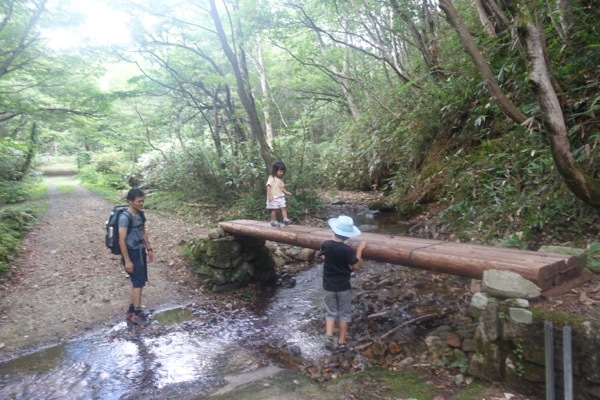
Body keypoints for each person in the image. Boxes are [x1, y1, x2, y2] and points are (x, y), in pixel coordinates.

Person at [318, 215, 366, 352]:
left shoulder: (326, 244)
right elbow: (356, 266)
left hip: (328, 286)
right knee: (344, 314)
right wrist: (360, 250)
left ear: (334, 230)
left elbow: (325, 255)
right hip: (343, 286)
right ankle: (342, 342)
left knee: (331, 312)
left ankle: (328, 337)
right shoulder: (347, 250)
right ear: (347, 236)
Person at [119, 188, 154, 326]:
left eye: (143, 201)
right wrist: (127, 261)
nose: (141, 204)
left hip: (140, 251)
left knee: (138, 282)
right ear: (130, 201)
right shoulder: (124, 218)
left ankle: (131, 311)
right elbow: (121, 240)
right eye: (139, 201)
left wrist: (149, 249)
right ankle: (137, 314)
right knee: (138, 283)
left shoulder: (140, 215)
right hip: (131, 253)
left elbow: (143, 232)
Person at [266, 160, 293, 227]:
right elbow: (268, 186)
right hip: (274, 197)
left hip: (280, 196)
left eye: (282, 172)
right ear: (275, 170)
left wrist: (286, 192)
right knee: (274, 210)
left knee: (283, 208)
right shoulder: (271, 178)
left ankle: (285, 219)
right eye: (280, 171)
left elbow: (281, 188)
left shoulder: (280, 180)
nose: (281, 173)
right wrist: (270, 195)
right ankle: (273, 221)